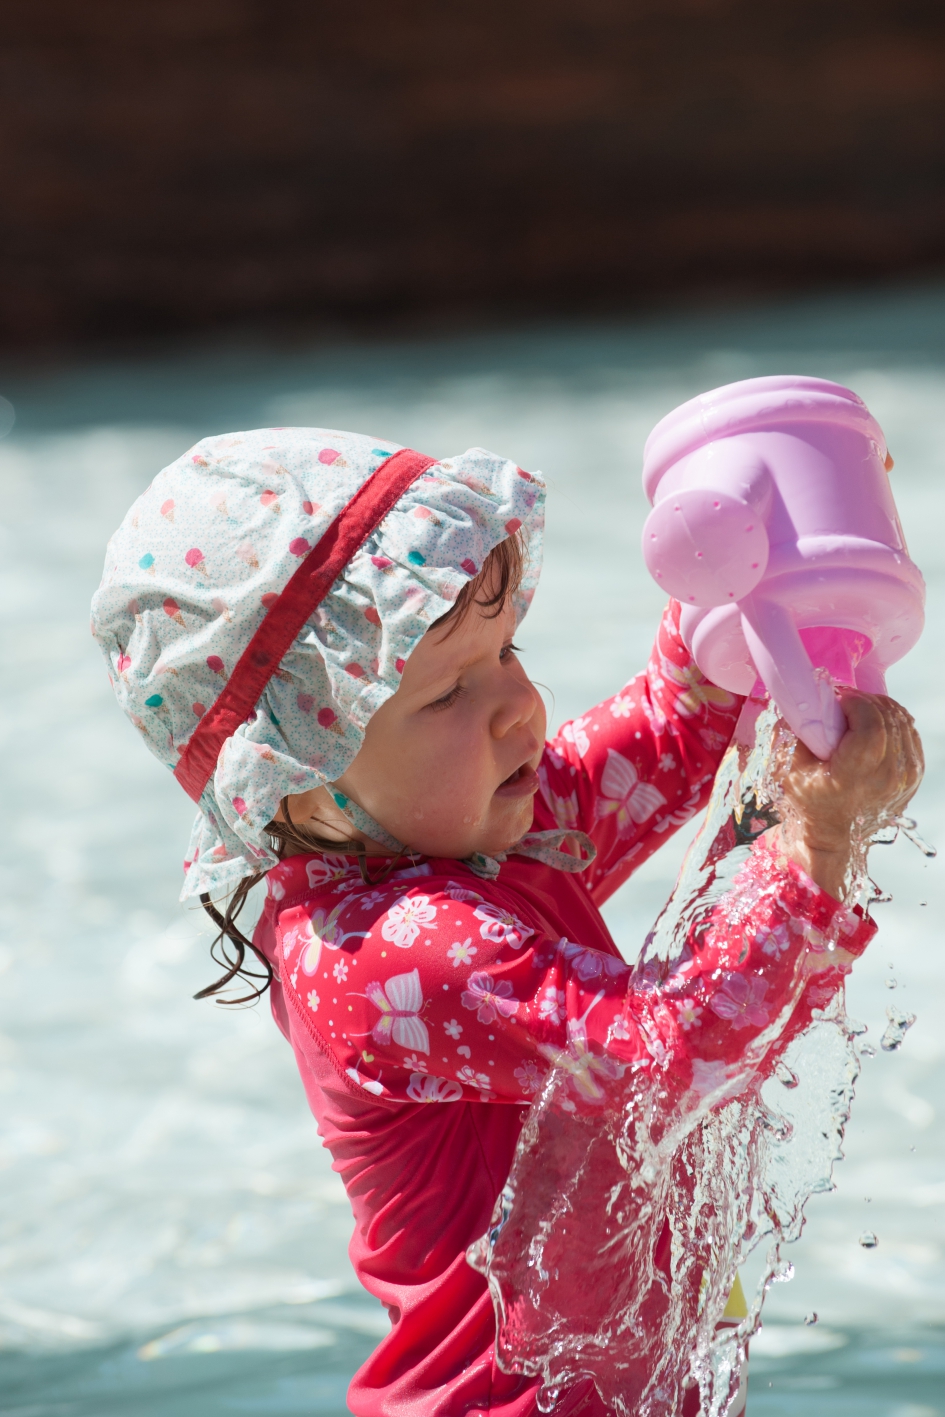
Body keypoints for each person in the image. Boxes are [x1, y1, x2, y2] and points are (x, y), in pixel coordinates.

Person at [92, 428, 922, 1416]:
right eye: (448, 690)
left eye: (507, 650)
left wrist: (754, 568)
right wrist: (815, 849)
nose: (520, 707)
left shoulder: (483, 826)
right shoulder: (387, 954)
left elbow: (677, 721)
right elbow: (676, 1056)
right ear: (297, 784)